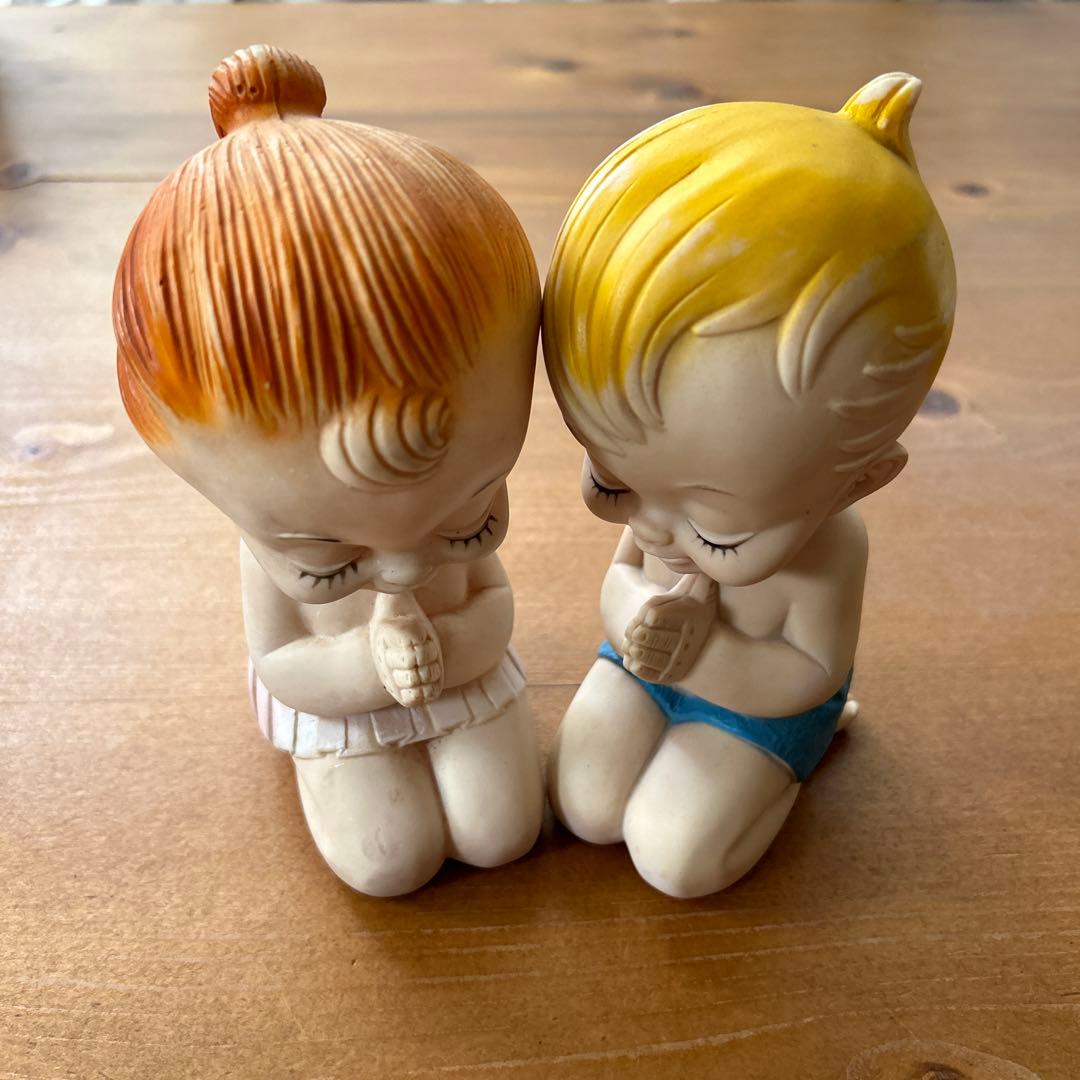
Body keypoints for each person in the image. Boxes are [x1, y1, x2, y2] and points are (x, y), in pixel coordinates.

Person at [113, 45, 544, 896]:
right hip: (344, 715)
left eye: (471, 514)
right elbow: (281, 659)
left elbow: (491, 604)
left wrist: (453, 646)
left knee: (502, 832)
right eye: (327, 559)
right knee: (389, 859)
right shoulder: (262, 548)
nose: (408, 568)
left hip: (464, 683)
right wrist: (368, 668)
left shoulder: (424, 544)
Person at [542, 73, 956, 898]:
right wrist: (637, 619)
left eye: (718, 535)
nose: (653, 527)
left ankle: (793, 771)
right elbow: (623, 578)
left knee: (675, 857)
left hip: (754, 711)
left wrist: (703, 655)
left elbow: (810, 670)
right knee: (583, 805)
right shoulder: (664, 503)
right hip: (642, 668)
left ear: (858, 483)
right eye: (612, 481)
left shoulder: (830, 552)